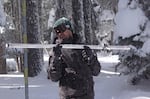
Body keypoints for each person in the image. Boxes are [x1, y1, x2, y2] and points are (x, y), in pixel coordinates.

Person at [47, 17, 101, 99]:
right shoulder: (57, 51)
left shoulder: (82, 47)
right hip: (68, 96)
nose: (60, 34)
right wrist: (55, 59)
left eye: (61, 29)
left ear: (69, 28)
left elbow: (96, 71)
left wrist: (91, 58)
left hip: (87, 95)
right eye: (57, 31)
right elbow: (54, 77)